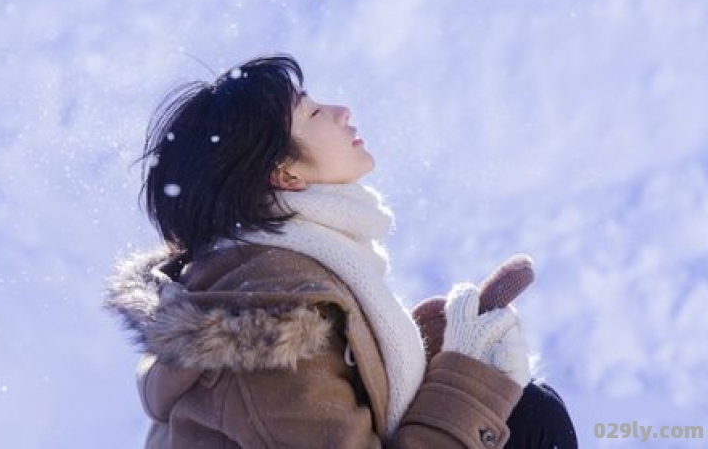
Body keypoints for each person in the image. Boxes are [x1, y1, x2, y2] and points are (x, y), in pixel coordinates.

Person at [105, 54, 578, 448]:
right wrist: (467, 380)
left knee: (531, 413)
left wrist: (414, 355)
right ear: (285, 174)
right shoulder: (272, 329)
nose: (341, 111)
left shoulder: (273, 273)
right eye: (312, 113)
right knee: (534, 424)